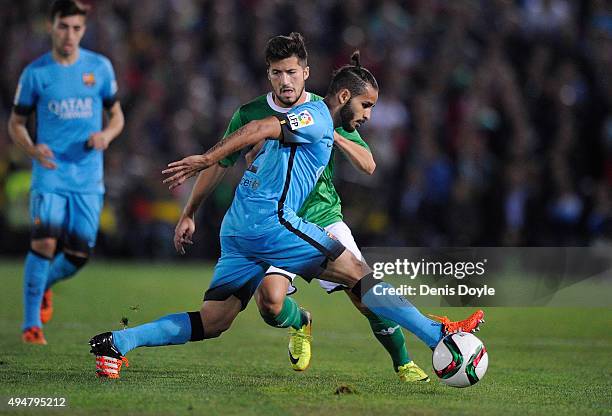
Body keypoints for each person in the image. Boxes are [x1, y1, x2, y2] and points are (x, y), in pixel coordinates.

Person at [89, 50, 483, 380]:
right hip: (271, 223)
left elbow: (352, 158)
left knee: (215, 320)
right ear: (344, 96)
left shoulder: (323, 123)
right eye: (365, 105)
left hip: (239, 227)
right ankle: (437, 335)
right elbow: (262, 125)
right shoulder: (317, 116)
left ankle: (117, 343)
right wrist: (208, 159)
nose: (367, 115)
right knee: (360, 278)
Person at [173, 33, 424, 381]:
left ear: (305, 72)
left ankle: (404, 362)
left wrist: (329, 133)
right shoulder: (250, 114)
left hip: (322, 215)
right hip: (278, 220)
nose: (285, 80)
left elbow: (369, 164)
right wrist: (190, 211)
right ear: (269, 75)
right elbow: (220, 164)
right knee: (270, 303)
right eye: (277, 72)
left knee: (364, 293)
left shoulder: (326, 110)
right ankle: (301, 322)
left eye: (291, 72)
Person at [8, 0, 124, 344]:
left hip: (88, 177)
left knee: (78, 254)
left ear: (83, 30)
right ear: (51, 26)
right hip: (50, 172)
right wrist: (31, 148)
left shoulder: (99, 68)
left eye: (76, 28)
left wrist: (105, 135)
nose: (69, 35)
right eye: (63, 26)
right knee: (44, 242)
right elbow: (15, 123)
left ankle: (42, 286)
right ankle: (32, 326)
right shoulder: (35, 74)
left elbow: (117, 116)